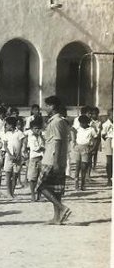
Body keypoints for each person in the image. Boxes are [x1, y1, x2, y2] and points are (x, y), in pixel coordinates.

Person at [38, 96, 72, 225]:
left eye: (47, 105)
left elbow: (57, 142)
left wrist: (56, 162)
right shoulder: (61, 121)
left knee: (41, 186)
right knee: (56, 189)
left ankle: (62, 208)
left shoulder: (55, 122)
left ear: (52, 106)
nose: (45, 108)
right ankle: (57, 218)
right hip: (59, 158)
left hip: (51, 159)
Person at [73, 115, 96, 192]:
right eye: (80, 123)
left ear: (86, 123)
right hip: (78, 147)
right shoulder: (78, 128)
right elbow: (72, 129)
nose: (81, 124)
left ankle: (82, 184)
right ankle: (76, 184)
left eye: (82, 123)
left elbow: (96, 138)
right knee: (77, 166)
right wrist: (74, 141)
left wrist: (93, 148)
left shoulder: (91, 129)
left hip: (86, 148)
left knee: (84, 167)